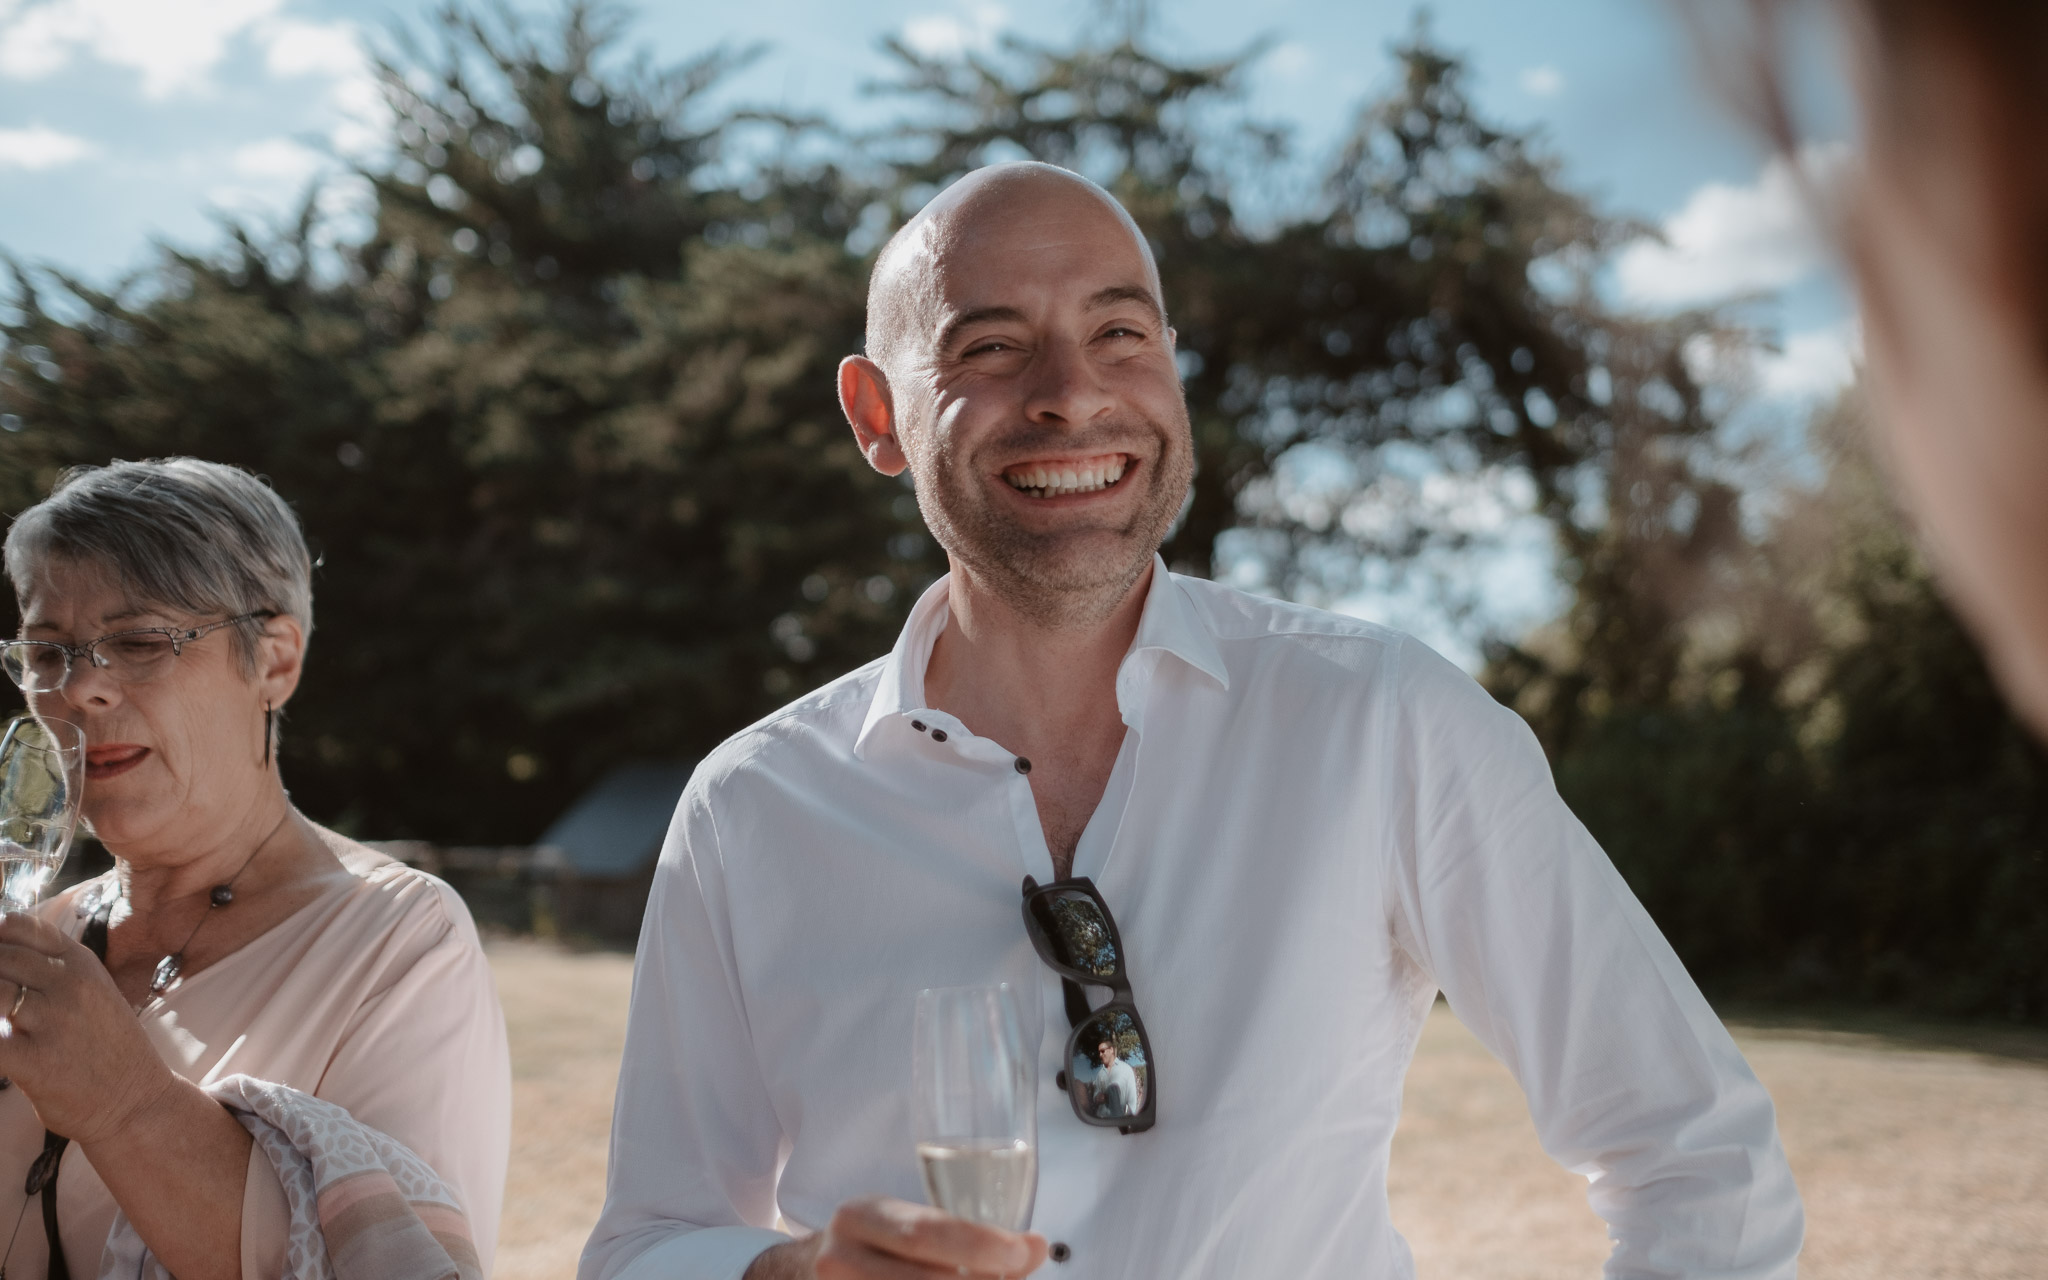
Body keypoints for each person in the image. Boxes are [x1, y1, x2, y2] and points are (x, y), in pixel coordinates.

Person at [581, 162, 1802, 1280]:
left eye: (1119, 334)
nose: (1071, 397)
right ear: (874, 414)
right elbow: (646, 1241)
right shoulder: (749, 807)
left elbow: (1697, 1161)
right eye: (991, 346)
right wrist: (784, 1275)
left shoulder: (1382, 720)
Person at [0, 459, 510, 1278]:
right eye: (47, 650)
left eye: (138, 642)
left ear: (274, 661)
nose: (82, 688)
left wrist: (127, 1105)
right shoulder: (42, 933)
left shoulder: (401, 943)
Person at [1088, 1041, 1138, 1120]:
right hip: (1101, 1120)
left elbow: (1132, 1100)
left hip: (1118, 1121)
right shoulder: (1100, 1074)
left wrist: (1129, 1121)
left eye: (1102, 1051)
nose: (1100, 1055)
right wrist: (1097, 1097)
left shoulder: (1126, 1069)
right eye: (1099, 1052)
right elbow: (1095, 1094)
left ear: (1111, 1050)